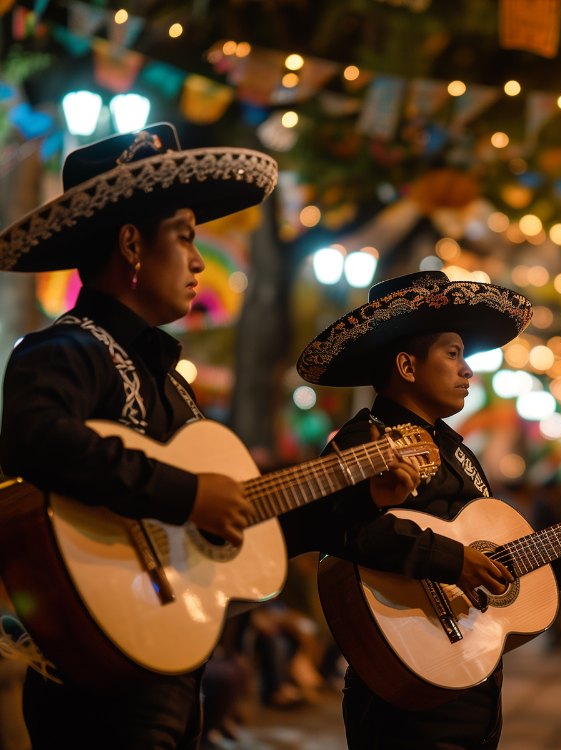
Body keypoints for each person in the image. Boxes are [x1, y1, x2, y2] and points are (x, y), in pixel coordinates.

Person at [0, 125, 415, 749]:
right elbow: (36, 440)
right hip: (95, 682)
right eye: (187, 238)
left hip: (169, 667)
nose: (199, 261)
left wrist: (355, 497)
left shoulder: (172, 386)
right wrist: (186, 493)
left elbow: (244, 540)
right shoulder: (65, 350)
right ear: (132, 244)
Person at [283, 270, 561, 749]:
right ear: (406, 365)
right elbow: (335, 528)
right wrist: (451, 560)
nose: (468, 372)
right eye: (453, 354)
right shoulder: (366, 441)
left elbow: (511, 570)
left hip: (472, 685)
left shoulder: (458, 452)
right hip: (401, 695)